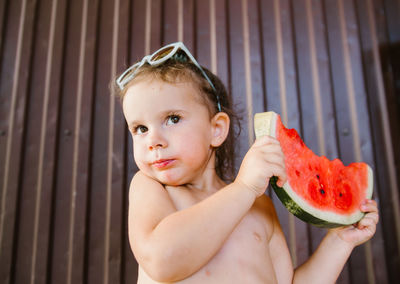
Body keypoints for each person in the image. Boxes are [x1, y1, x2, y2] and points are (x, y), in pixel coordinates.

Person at [114, 42, 379, 283]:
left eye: (172, 119)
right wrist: (243, 188)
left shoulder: (259, 205)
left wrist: (339, 240)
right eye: (140, 128)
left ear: (217, 129)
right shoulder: (151, 188)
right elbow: (162, 261)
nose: (153, 141)